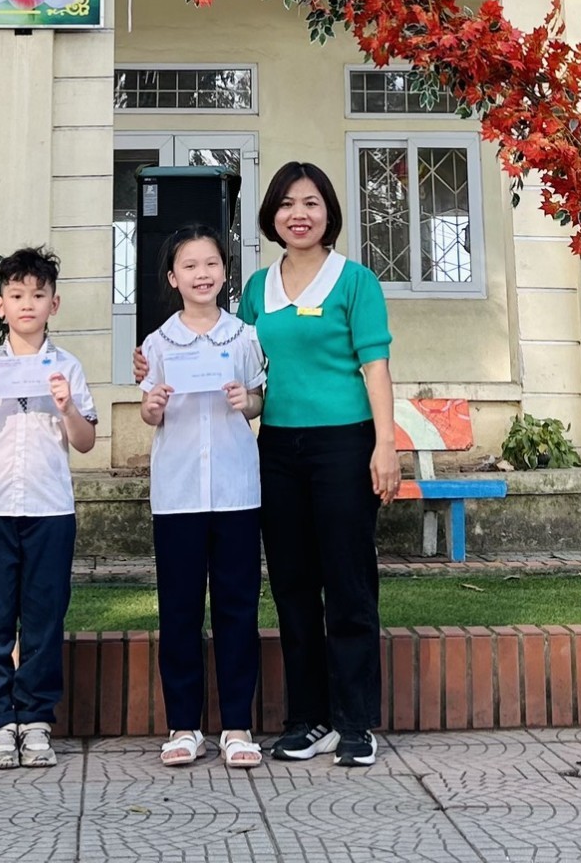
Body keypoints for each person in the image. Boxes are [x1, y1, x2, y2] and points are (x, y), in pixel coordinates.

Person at [238, 161, 399, 767]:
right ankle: (308, 720)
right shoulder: (258, 287)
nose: (297, 214)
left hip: (345, 446)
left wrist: (385, 445)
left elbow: (375, 368)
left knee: (348, 582)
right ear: (271, 216)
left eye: (310, 203)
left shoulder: (355, 281)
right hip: (278, 449)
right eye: (286, 204)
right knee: (293, 586)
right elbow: (250, 381)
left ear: (328, 212)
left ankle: (355, 722)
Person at [0, 244, 98, 770]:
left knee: (44, 617)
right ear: (1, 305)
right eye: (16, 295)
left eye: (38, 295)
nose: (27, 304)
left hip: (49, 509)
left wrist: (67, 407)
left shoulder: (67, 367)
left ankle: (35, 720)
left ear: (54, 304)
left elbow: (85, 442)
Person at [137, 220, 267, 768]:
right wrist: (153, 406)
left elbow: (258, 399)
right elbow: (150, 412)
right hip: (179, 493)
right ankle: (184, 725)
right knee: (180, 609)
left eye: (211, 263)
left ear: (224, 272)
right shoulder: (158, 344)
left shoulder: (244, 337)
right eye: (189, 265)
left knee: (238, 607)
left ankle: (237, 726)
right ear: (173, 277)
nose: (201, 274)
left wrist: (247, 401)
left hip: (236, 490)